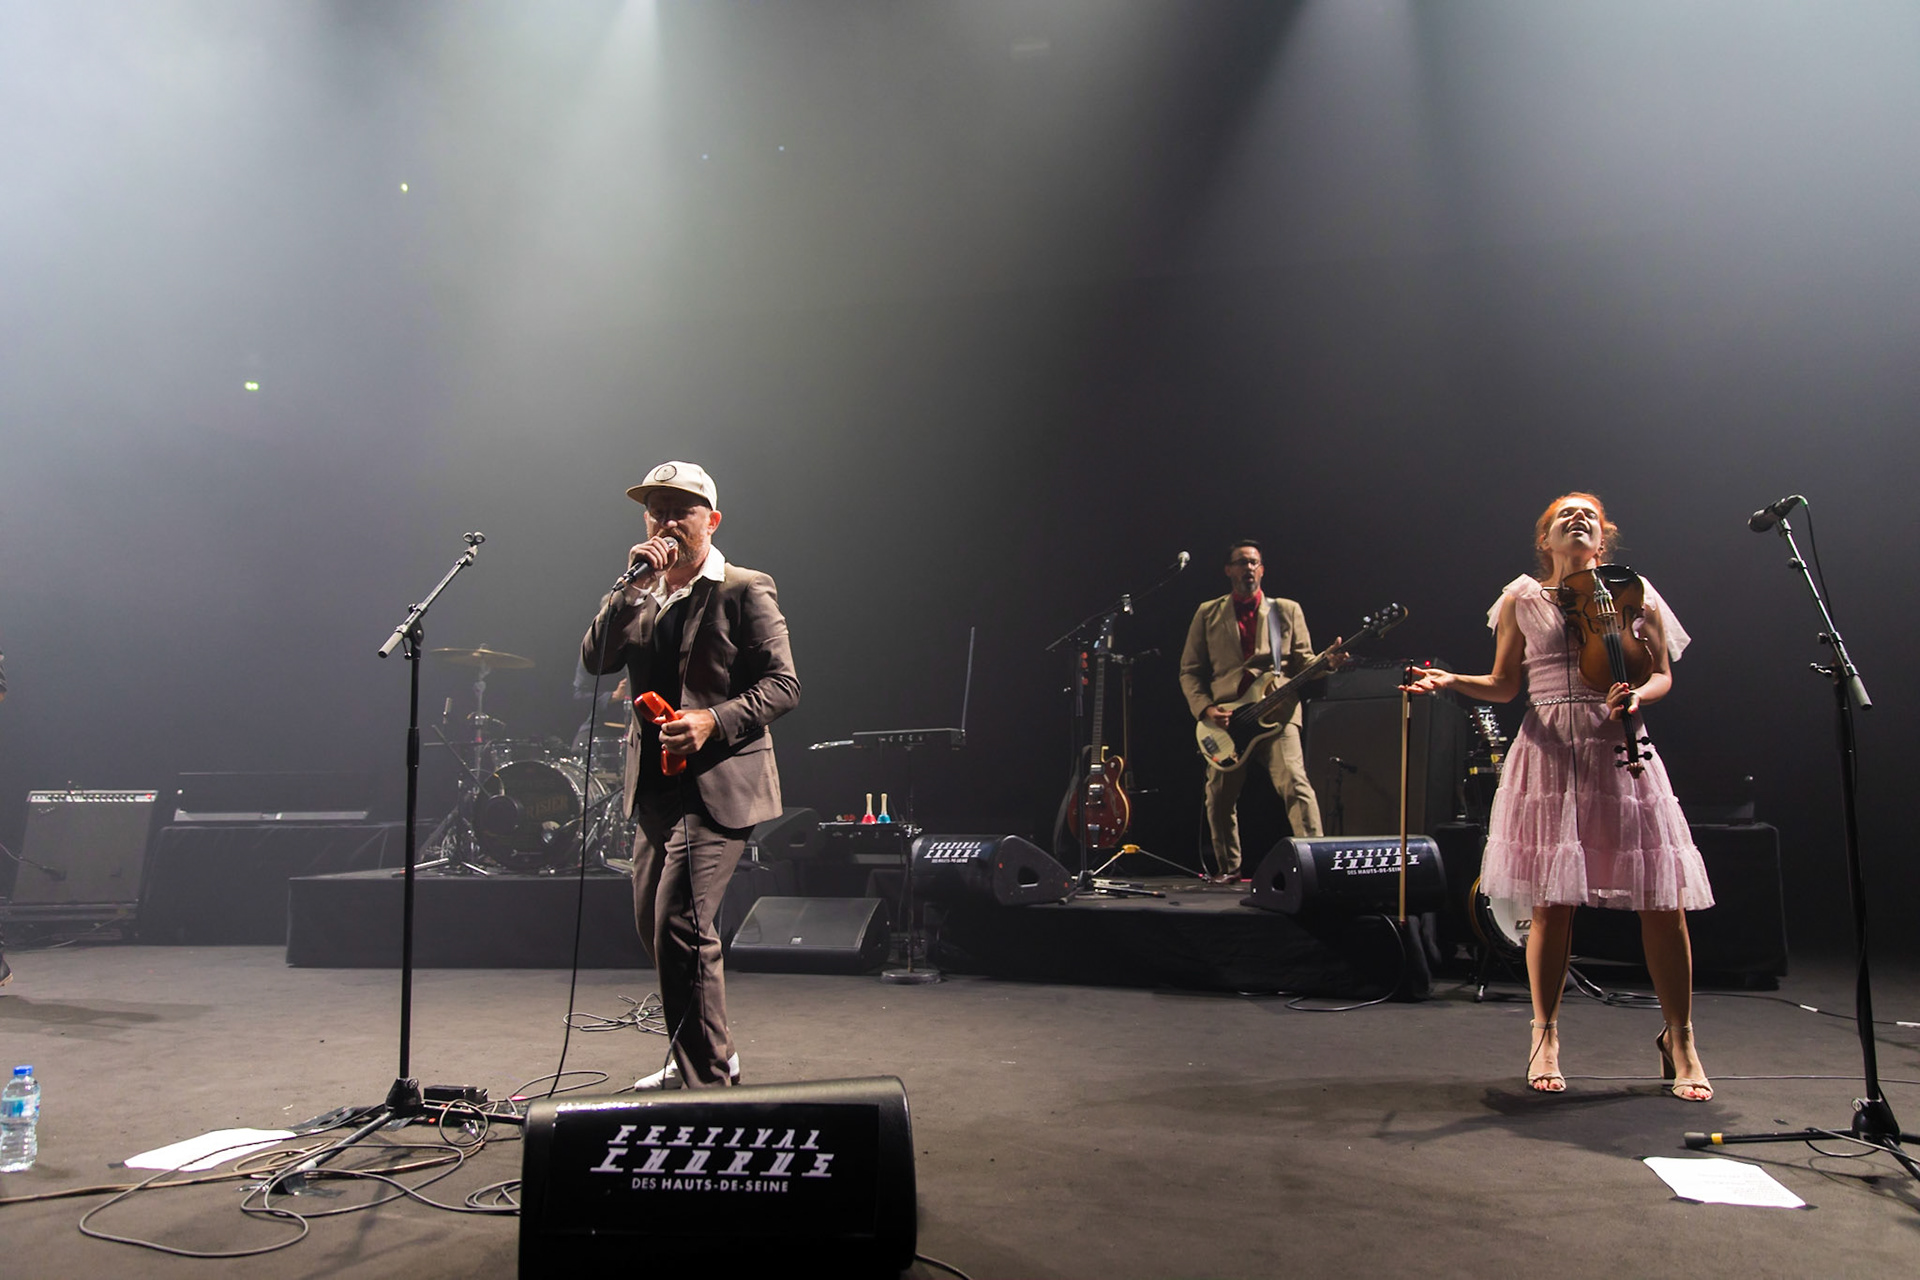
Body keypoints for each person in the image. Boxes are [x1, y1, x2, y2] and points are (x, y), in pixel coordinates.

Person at [1401, 493, 1713, 1100]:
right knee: (1552, 901)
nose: (1577, 521)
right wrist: (1451, 680)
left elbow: (1661, 672)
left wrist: (1640, 696)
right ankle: (1544, 1033)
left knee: (1662, 899)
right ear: (1545, 540)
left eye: (1588, 517)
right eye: (1563, 517)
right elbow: (1504, 683)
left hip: (1618, 745)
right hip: (1548, 749)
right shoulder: (1522, 599)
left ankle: (1681, 1037)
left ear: (1603, 538)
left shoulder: (1633, 591)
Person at [581, 461, 800, 1088]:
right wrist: (626, 592)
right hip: (653, 786)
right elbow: (596, 658)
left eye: (681, 509)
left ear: (712, 519)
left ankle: (709, 1088)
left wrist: (712, 721)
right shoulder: (640, 594)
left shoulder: (744, 587)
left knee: (682, 923)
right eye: (656, 510)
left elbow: (784, 686)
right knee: (657, 927)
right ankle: (710, 1052)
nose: (667, 522)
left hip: (719, 783)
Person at [1179, 540, 1329, 882]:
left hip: (1279, 714)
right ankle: (1228, 868)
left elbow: (1306, 663)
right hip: (1227, 720)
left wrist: (1328, 663)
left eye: (1254, 562)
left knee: (1295, 784)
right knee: (1217, 798)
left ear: (1262, 570)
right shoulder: (1207, 613)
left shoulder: (1286, 610)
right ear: (1228, 570)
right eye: (1241, 562)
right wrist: (1205, 710)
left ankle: (1317, 865)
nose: (1249, 568)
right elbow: (1189, 671)